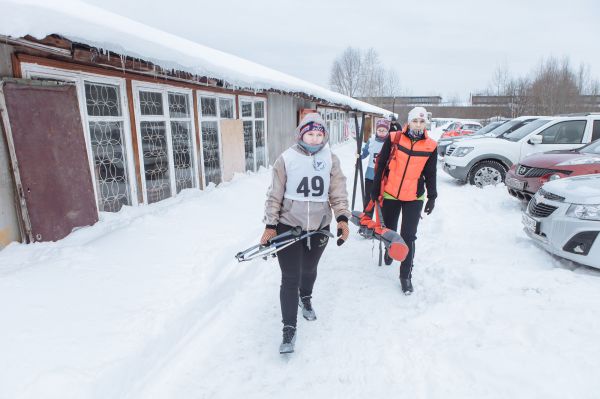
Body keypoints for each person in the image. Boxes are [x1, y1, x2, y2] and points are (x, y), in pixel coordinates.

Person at [261, 112, 351, 353]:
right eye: (310, 134)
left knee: (309, 269)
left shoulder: (331, 159)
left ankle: (306, 298)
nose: (314, 139)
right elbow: (274, 195)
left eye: (319, 134)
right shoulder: (286, 159)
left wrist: (342, 219)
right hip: (289, 226)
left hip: (320, 226)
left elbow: (338, 193)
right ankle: (289, 329)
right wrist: (270, 225)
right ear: (301, 134)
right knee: (290, 277)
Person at [371, 106, 437, 295]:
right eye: (415, 120)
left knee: (408, 236)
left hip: (414, 196)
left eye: (422, 121)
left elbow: (430, 173)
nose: (418, 124)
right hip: (391, 192)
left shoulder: (430, 146)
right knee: (390, 231)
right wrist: (376, 187)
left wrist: (432, 196)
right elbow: (381, 163)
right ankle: (390, 249)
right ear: (409, 121)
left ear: (426, 123)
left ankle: (405, 276)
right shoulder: (394, 138)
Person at [359, 119, 390, 208]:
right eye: (379, 130)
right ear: (376, 130)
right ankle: (366, 217)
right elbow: (364, 153)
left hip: (383, 176)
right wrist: (359, 155)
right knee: (368, 198)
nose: (381, 132)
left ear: (387, 131)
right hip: (370, 174)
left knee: (381, 200)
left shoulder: (389, 142)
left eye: (384, 130)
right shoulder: (371, 141)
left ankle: (381, 219)